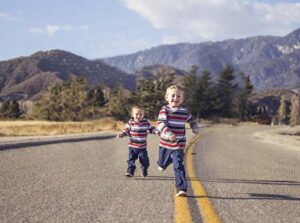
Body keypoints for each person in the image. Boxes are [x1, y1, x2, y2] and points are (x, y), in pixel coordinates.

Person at [156, 85, 199, 197]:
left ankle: (181, 188)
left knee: (179, 165)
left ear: (182, 99)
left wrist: (194, 127)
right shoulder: (165, 110)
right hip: (165, 144)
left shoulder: (184, 111)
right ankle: (164, 162)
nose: (175, 98)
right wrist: (168, 133)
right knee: (161, 165)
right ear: (166, 97)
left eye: (178, 96)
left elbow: (191, 120)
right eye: (173, 95)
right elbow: (160, 123)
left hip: (178, 145)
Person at [117, 106, 158, 178]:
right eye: (136, 114)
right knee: (131, 159)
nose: (138, 116)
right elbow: (126, 130)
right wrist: (122, 134)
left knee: (145, 161)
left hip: (142, 147)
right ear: (132, 114)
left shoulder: (146, 123)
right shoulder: (130, 123)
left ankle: (144, 169)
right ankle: (130, 172)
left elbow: (151, 129)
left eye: (141, 114)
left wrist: (156, 132)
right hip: (132, 146)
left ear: (143, 115)